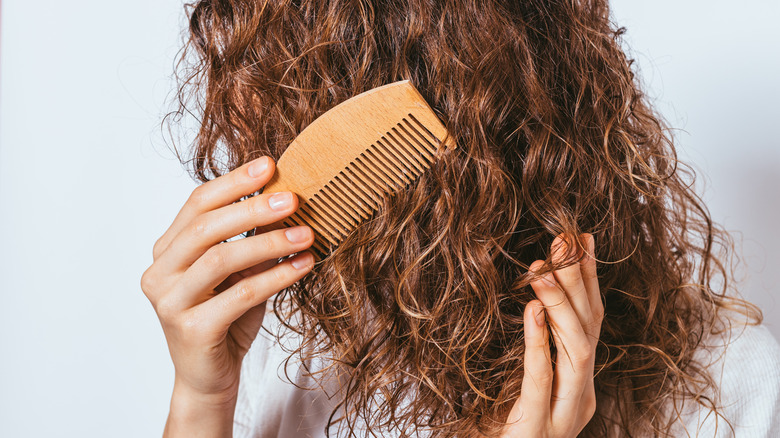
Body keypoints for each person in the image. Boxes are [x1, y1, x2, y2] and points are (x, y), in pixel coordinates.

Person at [141, 0, 780, 436]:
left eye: (292, 95)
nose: (260, 146)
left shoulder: (733, 390)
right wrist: (201, 403)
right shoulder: (291, 354)